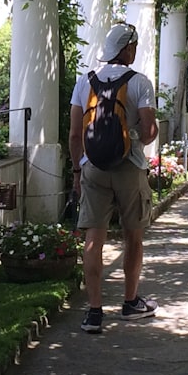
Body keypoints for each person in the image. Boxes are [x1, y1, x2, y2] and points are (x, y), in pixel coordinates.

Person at [68, 22, 159, 334]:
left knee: (94, 239)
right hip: (129, 167)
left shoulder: (85, 82)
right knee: (133, 237)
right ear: (128, 48)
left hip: (93, 167)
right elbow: (148, 133)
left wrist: (78, 171)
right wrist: (133, 134)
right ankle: (130, 302)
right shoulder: (139, 83)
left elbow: (75, 134)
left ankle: (94, 312)